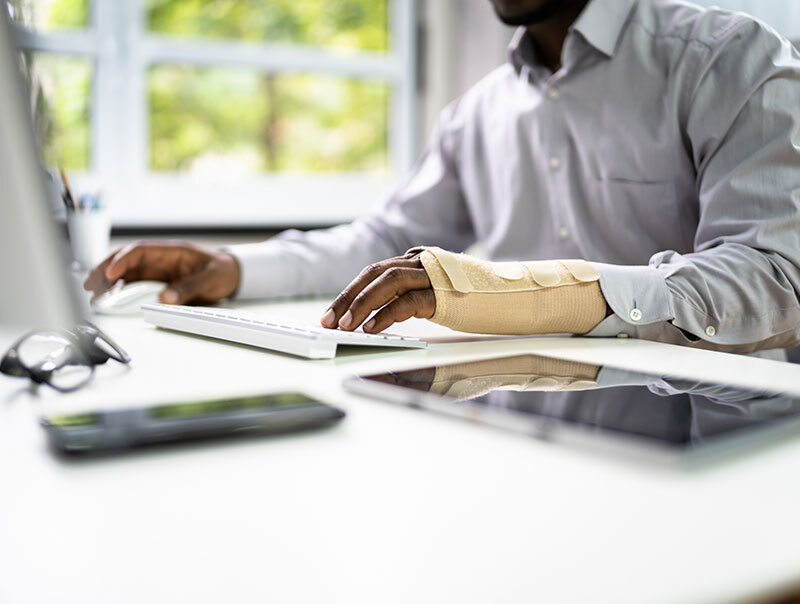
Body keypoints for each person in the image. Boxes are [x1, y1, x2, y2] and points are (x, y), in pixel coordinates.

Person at [84, 0, 800, 358]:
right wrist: (235, 266)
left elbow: (774, 274)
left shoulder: (727, 60)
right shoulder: (477, 112)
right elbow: (389, 240)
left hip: (714, 417)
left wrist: (513, 294)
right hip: (524, 409)